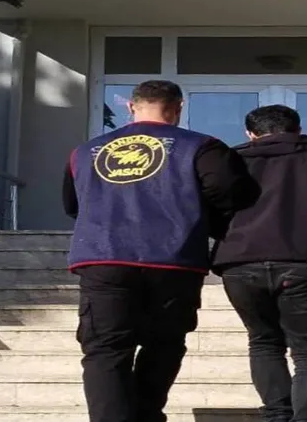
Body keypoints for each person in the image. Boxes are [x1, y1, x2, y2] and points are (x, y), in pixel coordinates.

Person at [62, 80, 259, 422]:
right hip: (173, 258)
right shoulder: (202, 147)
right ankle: (146, 413)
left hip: (103, 257)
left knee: (105, 349)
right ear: (178, 107)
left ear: (131, 107)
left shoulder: (85, 152)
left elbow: (72, 204)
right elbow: (233, 195)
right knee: (165, 343)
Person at [211, 105, 307, 422]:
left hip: (241, 262)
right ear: (298, 129)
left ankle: (277, 415)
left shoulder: (229, 161)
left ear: (250, 133)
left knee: (264, 342)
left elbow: (207, 206)